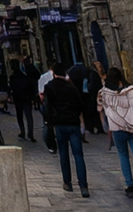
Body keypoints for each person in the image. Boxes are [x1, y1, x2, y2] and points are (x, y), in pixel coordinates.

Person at [100, 66, 133, 200]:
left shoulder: (105, 94)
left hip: (117, 129)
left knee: (123, 156)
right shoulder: (132, 92)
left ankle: (129, 186)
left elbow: (101, 106)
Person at [46, 60, 90, 197]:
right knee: (78, 155)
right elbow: (80, 105)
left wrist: (51, 121)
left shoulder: (50, 87)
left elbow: (48, 107)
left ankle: (67, 182)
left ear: (53, 73)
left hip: (60, 124)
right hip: (73, 123)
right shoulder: (71, 87)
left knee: (63, 154)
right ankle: (83, 186)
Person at [72, 62, 106, 135]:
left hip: (90, 97)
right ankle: (98, 127)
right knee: (95, 112)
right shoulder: (91, 74)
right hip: (92, 96)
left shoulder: (88, 75)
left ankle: (92, 127)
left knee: (91, 113)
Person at [10, 61, 38, 140]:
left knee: (20, 116)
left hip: (18, 99)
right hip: (27, 99)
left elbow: (11, 88)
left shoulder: (12, 77)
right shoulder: (25, 77)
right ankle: (30, 134)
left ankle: (22, 132)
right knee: (29, 116)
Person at [37, 61, 58, 152]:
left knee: (47, 125)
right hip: (59, 104)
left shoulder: (43, 77)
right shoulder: (63, 77)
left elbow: (41, 94)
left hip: (47, 104)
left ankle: (51, 145)